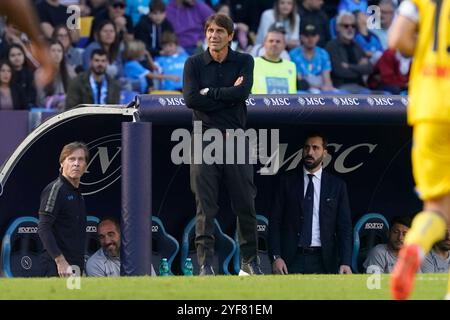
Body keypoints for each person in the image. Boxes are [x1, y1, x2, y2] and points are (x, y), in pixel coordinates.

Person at [182, 13, 262, 276]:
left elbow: (243, 92)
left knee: (245, 203)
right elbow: (192, 100)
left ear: (230, 36)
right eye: (209, 31)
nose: (213, 35)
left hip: (236, 140)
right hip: (203, 140)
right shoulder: (193, 63)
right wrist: (228, 95)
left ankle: (249, 262)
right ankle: (205, 265)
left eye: (219, 31)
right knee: (205, 207)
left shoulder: (244, 60)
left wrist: (212, 93)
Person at [388, 0, 450, 300]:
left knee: (436, 209)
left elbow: (397, 39)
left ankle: (414, 246)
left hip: (430, 107)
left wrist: (426, 46)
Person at [269, 132, 353, 274]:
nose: (310, 152)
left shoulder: (337, 186)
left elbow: (344, 227)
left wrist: (345, 262)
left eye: (315, 148)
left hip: (324, 259)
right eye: (307, 148)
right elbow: (275, 221)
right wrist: (276, 256)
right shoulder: (287, 181)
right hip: (291, 258)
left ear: (324, 153)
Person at [37, 142, 89, 277]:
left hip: (75, 266)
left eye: (81, 159)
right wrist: (60, 260)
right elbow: (43, 227)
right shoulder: (55, 189)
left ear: (85, 166)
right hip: (56, 267)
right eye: (71, 159)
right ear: (62, 163)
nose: (76, 163)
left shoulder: (78, 193)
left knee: (74, 298)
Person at [0, 0, 56, 88]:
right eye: (14, 27)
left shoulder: (27, 43)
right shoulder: (1, 46)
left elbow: (37, 67)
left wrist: (22, 46)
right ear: (7, 27)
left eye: (19, 28)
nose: (16, 31)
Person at [325, 11, 373, 94]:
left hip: (360, 86)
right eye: (346, 26)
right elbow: (339, 71)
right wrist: (359, 68)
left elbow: (369, 68)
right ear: (337, 27)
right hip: (341, 87)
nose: (350, 28)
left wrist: (349, 66)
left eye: (353, 26)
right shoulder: (331, 46)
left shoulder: (357, 46)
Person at [289, 22, 336, 93]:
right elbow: (298, 80)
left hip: (321, 89)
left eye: (313, 35)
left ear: (318, 37)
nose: (310, 39)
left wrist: (326, 87)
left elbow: (327, 79)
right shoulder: (294, 54)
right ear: (301, 37)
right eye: (307, 36)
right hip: (302, 90)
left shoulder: (323, 53)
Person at [252, 25, 297, 94]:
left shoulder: (291, 66)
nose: (274, 44)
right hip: (259, 104)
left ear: (284, 45)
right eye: (271, 41)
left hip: (286, 104)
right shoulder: (253, 63)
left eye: (278, 41)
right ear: (264, 43)